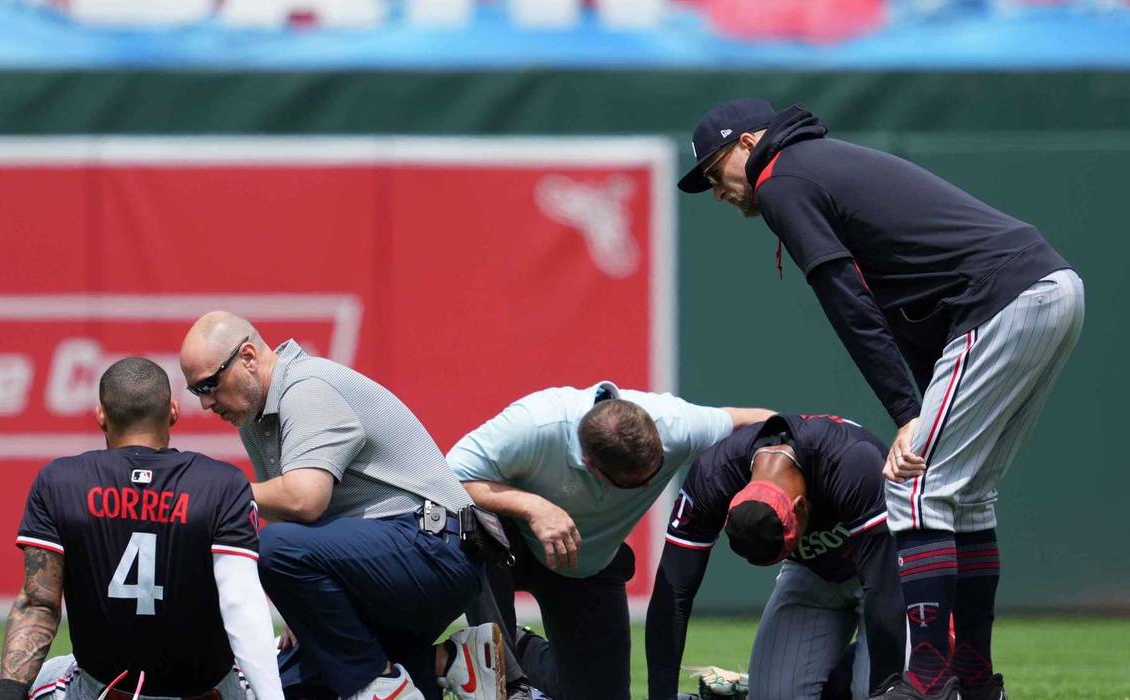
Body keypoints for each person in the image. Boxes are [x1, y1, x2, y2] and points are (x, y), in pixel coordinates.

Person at [678, 98, 1085, 700]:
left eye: (715, 173)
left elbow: (849, 302)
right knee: (964, 496)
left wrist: (906, 415)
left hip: (1003, 298)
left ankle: (924, 681)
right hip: (1045, 291)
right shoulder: (812, 165)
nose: (717, 191)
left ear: (746, 144)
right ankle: (973, 681)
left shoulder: (781, 179)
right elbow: (906, 307)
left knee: (913, 485)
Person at [179, 312, 504, 700]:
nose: (205, 403)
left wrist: (216, 491)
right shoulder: (256, 415)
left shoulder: (305, 387)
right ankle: (449, 663)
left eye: (210, 384)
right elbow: (294, 518)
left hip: (437, 551)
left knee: (277, 548)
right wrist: (305, 603)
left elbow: (304, 500)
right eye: (197, 390)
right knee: (283, 687)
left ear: (248, 355)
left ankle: (379, 686)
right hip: (393, 559)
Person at [0, 357, 284, 700]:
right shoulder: (223, 484)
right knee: (285, 651)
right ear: (173, 412)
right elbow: (241, 602)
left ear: (101, 416)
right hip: (206, 692)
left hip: (105, 690)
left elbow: (38, 604)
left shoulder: (61, 481)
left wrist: (8, 694)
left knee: (55, 671)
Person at [446, 381, 773, 700]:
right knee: (472, 523)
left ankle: (509, 649)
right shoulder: (536, 423)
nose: (648, 487)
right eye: (634, 484)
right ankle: (500, 679)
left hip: (583, 562)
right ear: (591, 464)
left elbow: (764, 423)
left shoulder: (675, 424)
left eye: (655, 472)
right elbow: (448, 477)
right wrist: (534, 507)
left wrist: (807, 451)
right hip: (509, 545)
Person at [646, 413, 905, 700]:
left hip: (887, 571)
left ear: (801, 507)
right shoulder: (714, 475)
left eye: (789, 545)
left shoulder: (853, 462)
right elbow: (673, 594)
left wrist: (887, 689)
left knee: (876, 691)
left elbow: (884, 590)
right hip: (813, 574)